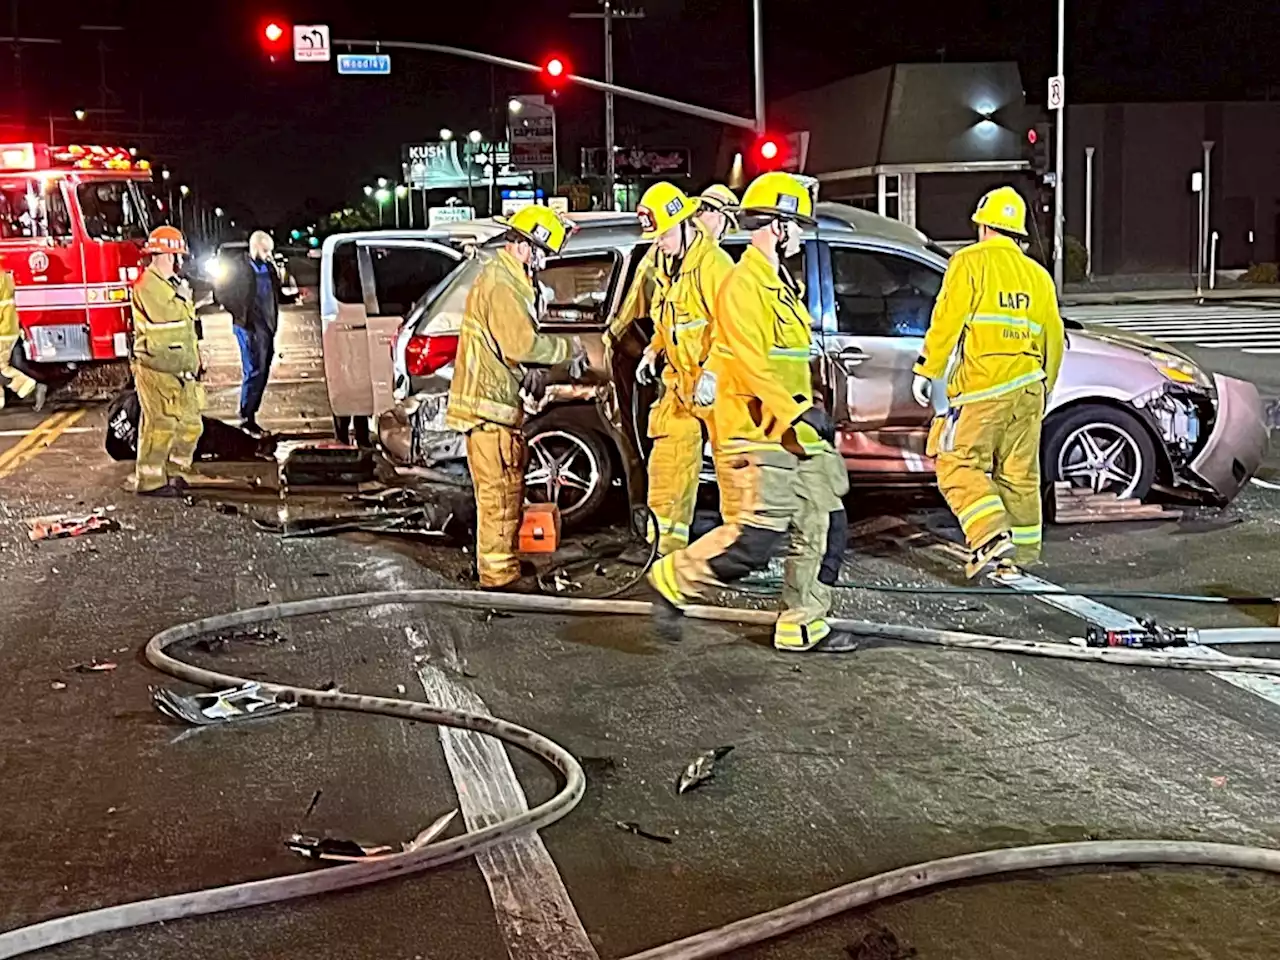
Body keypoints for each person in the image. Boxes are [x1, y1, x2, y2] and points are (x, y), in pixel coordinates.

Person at [648, 172, 850, 652]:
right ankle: (672, 580)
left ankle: (803, 624)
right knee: (753, 542)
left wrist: (808, 410)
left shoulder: (781, 284)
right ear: (776, 226)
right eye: (796, 224)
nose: (801, 234)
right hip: (755, 434)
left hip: (794, 434)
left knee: (826, 523)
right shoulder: (742, 285)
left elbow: (786, 363)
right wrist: (797, 413)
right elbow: (753, 363)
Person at [911, 185, 1065, 577]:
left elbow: (946, 321)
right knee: (1019, 475)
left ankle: (990, 535)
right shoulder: (1038, 276)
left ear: (983, 226)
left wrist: (927, 369)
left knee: (955, 462)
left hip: (983, 389)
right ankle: (1020, 559)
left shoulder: (969, 263)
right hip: (1029, 388)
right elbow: (1053, 340)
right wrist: (1043, 389)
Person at [445, 205, 588, 590]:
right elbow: (521, 342)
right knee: (498, 499)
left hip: (495, 408)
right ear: (524, 246)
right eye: (541, 252)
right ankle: (497, 580)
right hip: (488, 410)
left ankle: (502, 566)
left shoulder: (505, 279)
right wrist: (568, 350)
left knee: (507, 493)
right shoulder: (503, 285)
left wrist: (527, 371)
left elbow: (505, 348)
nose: (542, 263)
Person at [629, 181, 735, 555]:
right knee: (669, 465)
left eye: (665, 235)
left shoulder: (714, 266)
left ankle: (740, 552)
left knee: (735, 471)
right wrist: (653, 351)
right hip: (679, 385)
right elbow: (668, 321)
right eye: (655, 237)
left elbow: (733, 327)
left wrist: (713, 371)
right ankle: (666, 547)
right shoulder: (666, 264)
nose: (659, 242)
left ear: (687, 223)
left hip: (719, 388)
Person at [131, 225, 203, 498]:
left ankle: (176, 472)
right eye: (175, 256)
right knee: (160, 425)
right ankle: (150, 480)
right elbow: (168, 315)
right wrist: (184, 296)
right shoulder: (148, 285)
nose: (179, 262)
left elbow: (186, 327)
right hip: (156, 368)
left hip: (181, 368)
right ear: (162, 255)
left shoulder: (170, 284)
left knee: (191, 424)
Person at [223, 230, 282, 437]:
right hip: (248, 327)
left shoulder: (269, 268)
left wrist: (290, 298)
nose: (268, 255)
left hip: (267, 326)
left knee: (263, 371)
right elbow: (221, 292)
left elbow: (275, 293)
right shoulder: (240, 267)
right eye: (266, 250)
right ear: (256, 246)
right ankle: (246, 416)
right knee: (253, 370)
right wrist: (241, 314)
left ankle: (251, 413)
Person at [0, 267, 45, 411]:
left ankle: (31, 387)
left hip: (3, 331)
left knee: (2, 369)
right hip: (9, 328)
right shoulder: (4, 276)